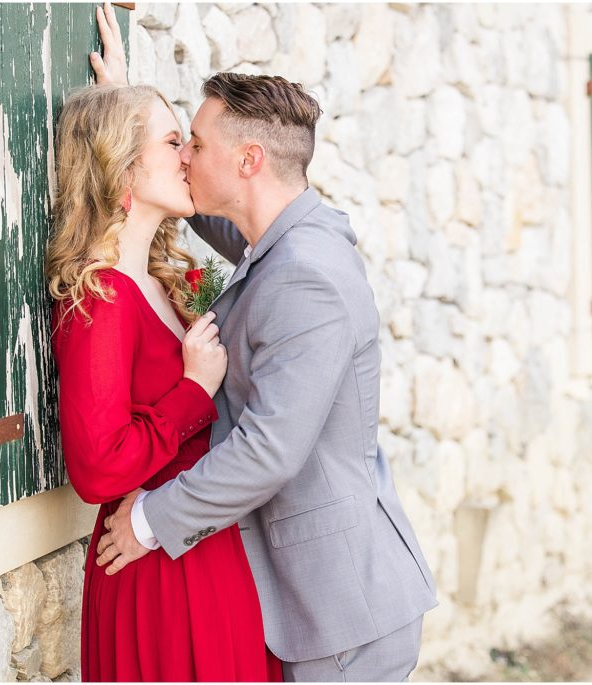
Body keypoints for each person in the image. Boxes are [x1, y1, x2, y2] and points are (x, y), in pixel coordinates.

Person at [89, 3, 438, 681]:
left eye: (193, 142)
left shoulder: (307, 275)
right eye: (178, 143)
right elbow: (210, 217)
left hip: (343, 615)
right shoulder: (287, 238)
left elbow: (270, 447)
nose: (184, 156)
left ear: (248, 160)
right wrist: (125, 125)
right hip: (322, 599)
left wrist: (151, 521)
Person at [46, 80, 282, 681]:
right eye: (175, 141)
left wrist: (124, 87)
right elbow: (98, 468)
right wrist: (194, 391)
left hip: (200, 548)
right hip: (154, 567)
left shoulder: (157, 284)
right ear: (122, 165)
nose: (188, 157)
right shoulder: (100, 299)